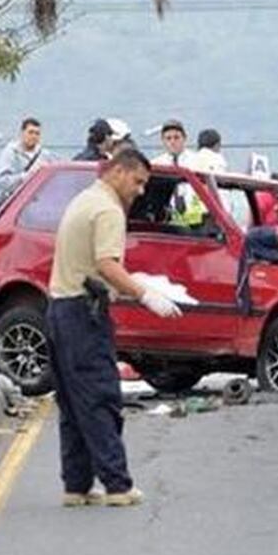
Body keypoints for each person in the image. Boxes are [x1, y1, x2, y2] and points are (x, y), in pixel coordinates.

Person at [47, 149, 183, 507]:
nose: (140, 191)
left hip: (59, 307)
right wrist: (144, 294)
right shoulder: (108, 210)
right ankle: (117, 485)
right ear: (119, 172)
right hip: (83, 313)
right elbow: (107, 264)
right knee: (100, 397)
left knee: (72, 402)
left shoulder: (84, 199)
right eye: (138, 182)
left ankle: (76, 485)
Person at [0, 116, 55, 206]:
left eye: (37, 133)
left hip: (38, 205)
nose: (34, 136)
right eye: (30, 132)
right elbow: (2, 182)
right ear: (22, 133)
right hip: (17, 205)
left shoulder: (45, 155)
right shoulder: (11, 153)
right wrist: (26, 177)